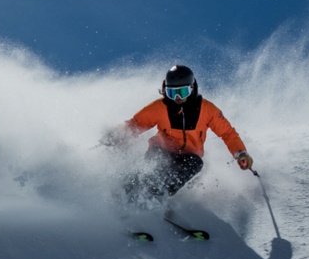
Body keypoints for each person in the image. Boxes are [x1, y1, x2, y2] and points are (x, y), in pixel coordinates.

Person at [104, 65, 253, 205]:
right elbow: (136, 124)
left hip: (188, 157)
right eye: (171, 93)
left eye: (182, 92)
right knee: (151, 167)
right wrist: (116, 135)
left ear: (192, 89)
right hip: (161, 149)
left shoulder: (207, 109)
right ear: (165, 91)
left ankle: (157, 196)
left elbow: (227, 133)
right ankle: (124, 190)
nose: (176, 98)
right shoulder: (160, 107)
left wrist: (240, 153)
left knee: (195, 164)